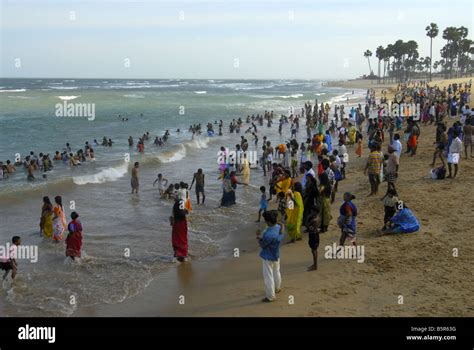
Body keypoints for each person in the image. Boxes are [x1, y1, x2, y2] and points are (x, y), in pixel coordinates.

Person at [256, 210, 284, 302]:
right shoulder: (278, 228)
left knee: (268, 276)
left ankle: (270, 296)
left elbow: (262, 245)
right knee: (277, 271)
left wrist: (258, 238)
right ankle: (277, 287)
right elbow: (282, 229)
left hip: (268, 256)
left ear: (268, 222)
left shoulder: (268, 234)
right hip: (276, 254)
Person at [170, 198, 188, 262]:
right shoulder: (181, 201)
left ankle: (177, 254)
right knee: (182, 238)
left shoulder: (175, 204)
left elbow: (171, 217)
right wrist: (186, 211)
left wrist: (172, 224)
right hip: (181, 222)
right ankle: (183, 255)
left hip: (176, 223)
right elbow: (182, 212)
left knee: (176, 239)